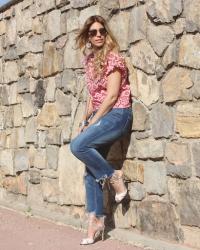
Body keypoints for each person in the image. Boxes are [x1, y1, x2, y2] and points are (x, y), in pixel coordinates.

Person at [70, 15, 133, 245]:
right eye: (93, 32)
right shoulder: (89, 61)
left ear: (106, 34)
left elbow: (111, 97)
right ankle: (96, 220)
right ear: (87, 36)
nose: (98, 35)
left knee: (77, 145)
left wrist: (93, 122)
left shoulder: (114, 58)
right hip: (101, 116)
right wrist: (84, 121)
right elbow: (92, 96)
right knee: (90, 169)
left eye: (102, 31)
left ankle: (115, 177)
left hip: (118, 115)